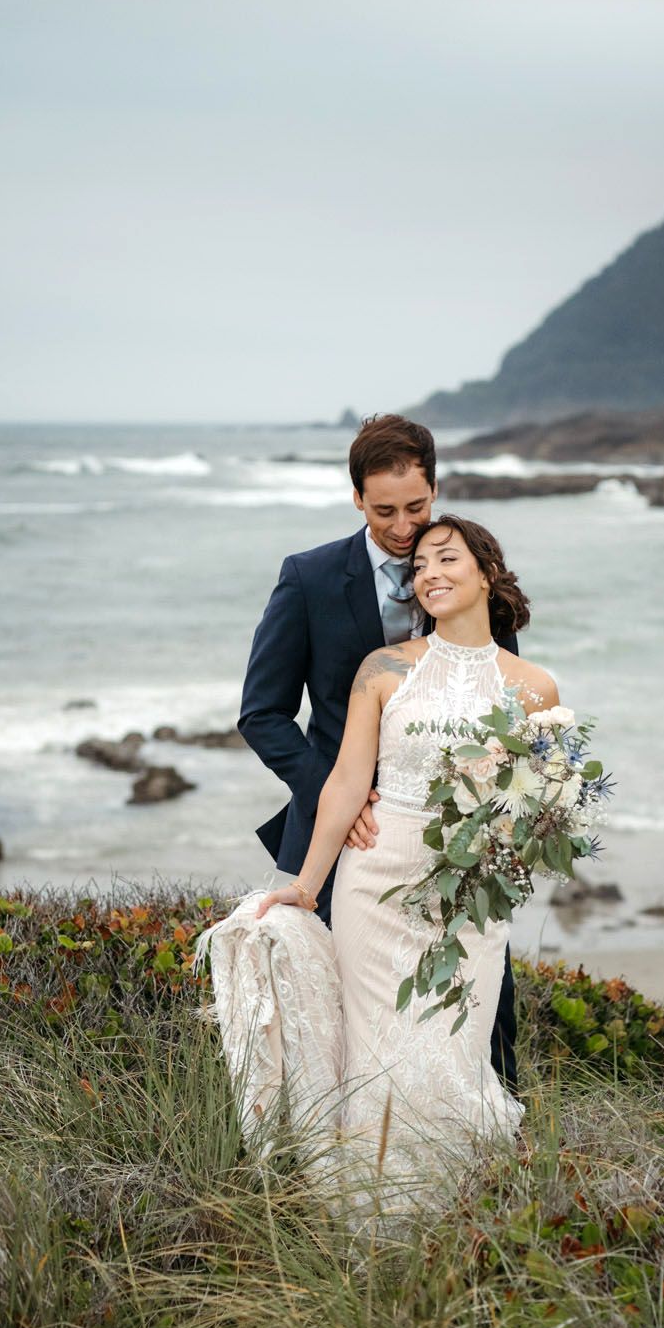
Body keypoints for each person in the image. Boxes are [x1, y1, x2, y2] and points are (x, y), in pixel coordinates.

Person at [202, 515, 560, 1204]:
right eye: (419, 565)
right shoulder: (383, 670)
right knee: (378, 1051)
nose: (428, 573)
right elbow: (343, 784)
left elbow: (535, 807)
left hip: (467, 900)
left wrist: (504, 855)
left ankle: (455, 1204)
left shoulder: (534, 688)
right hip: (375, 884)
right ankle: (370, 1209)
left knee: (456, 1048)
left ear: (486, 572)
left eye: (446, 559)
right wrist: (305, 884)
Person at [237, 414, 522, 1089]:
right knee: (341, 1007)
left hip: (454, 828)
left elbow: (501, 699)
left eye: (416, 507)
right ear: (356, 498)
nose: (402, 526)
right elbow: (263, 713)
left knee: (485, 995)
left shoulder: (466, 568)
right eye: (384, 510)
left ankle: (501, 1146)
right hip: (347, 833)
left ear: (434, 488)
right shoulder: (307, 578)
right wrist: (341, 795)